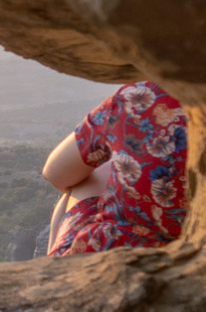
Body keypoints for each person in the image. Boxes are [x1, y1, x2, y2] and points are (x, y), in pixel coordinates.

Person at [41, 81, 189, 256]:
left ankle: (53, 267)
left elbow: (56, 173)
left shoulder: (142, 96)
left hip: (110, 251)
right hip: (198, 253)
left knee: (93, 173)